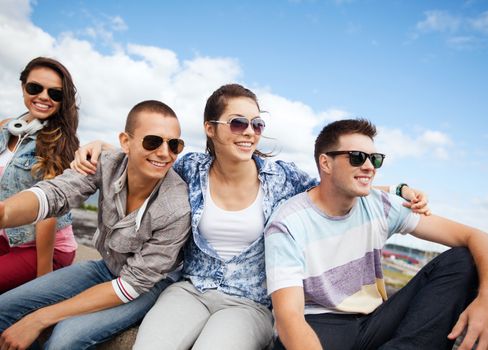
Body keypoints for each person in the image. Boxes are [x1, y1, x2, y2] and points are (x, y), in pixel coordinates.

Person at [71, 84, 429, 350]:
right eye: (238, 123)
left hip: (250, 304)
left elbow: (335, 184)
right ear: (210, 128)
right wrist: (101, 145)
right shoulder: (191, 167)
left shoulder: (283, 178)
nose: (249, 133)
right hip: (191, 291)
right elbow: (146, 155)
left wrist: (396, 190)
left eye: (256, 124)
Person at [264, 119, 488, 350]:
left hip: (374, 320)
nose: (369, 167)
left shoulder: (380, 204)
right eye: (357, 158)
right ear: (326, 163)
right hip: (319, 325)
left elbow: (479, 238)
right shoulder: (288, 222)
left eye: (375, 159)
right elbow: (290, 318)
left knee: (462, 260)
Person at [0, 100, 191, 349]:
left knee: (63, 340)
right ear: (125, 142)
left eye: (174, 144)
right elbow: (57, 193)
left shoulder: (176, 207)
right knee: (5, 307)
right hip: (106, 267)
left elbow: (133, 284)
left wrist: (39, 318)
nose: (165, 153)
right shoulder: (107, 164)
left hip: (147, 287)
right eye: (152, 141)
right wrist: (5, 213)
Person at [0, 57, 80, 292]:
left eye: (55, 93)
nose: (44, 97)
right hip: (7, 239)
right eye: (35, 88)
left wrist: (42, 281)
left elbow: (48, 212)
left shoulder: (60, 144)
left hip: (45, 250)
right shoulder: (5, 128)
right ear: (23, 87)